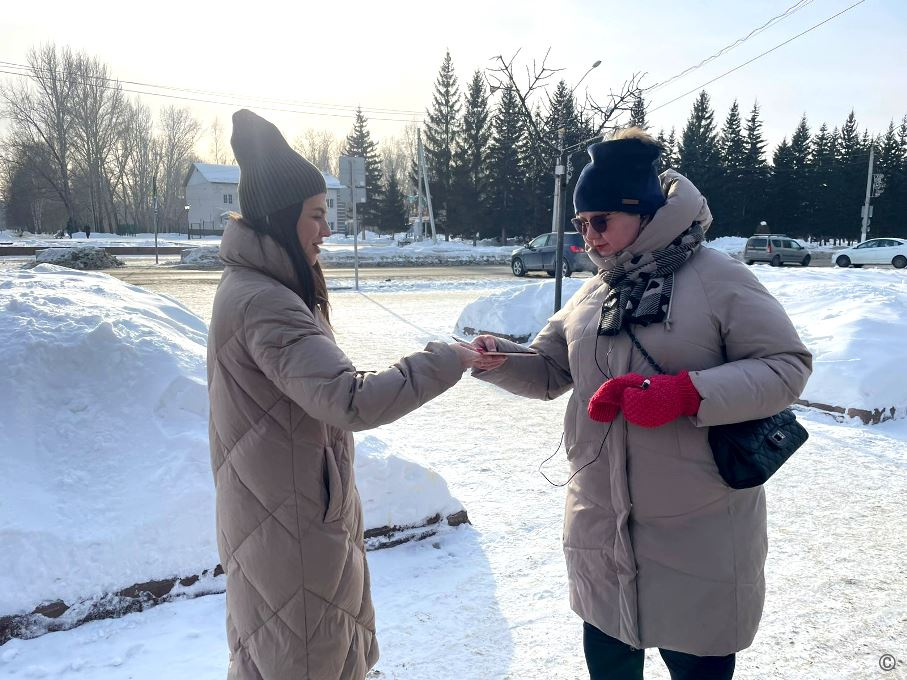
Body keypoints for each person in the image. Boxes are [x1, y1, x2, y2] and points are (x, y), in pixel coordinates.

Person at [469, 128, 812, 680]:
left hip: (698, 527)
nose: (589, 237)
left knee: (697, 664)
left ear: (644, 213)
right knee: (609, 663)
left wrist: (684, 394)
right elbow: (552, 370)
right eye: (581, 224)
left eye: (601, 221)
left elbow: (786, 367)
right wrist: (501, 360)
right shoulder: (595, 291)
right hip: (601, 528)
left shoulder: (719, 278)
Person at [206, 109, 482, 680]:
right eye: (315, 215)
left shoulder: (259, 288)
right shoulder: (267, 303)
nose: (327, 231)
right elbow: (350, 399)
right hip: (292, 527)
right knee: (308, 660)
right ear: (281, 217)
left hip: (283, 513)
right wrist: (447, 359)